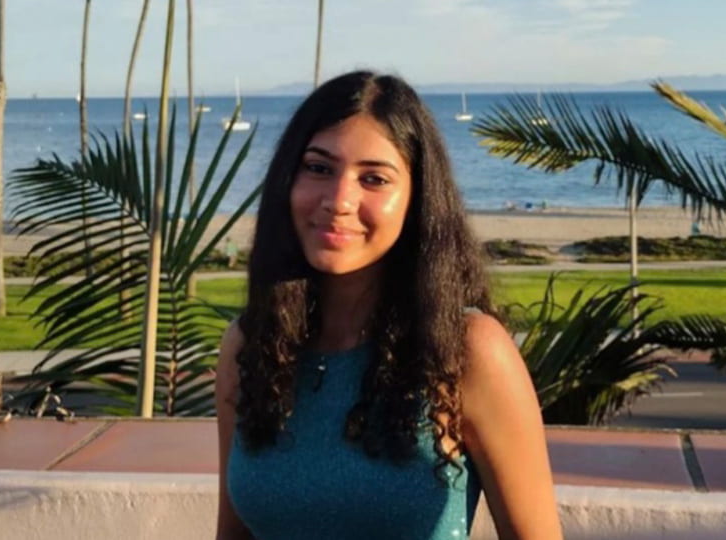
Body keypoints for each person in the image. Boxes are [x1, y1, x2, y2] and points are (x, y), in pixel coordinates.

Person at [215, 71, 562, 539]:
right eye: (319, 168)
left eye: (374, 178)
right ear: (287, 180)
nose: (339, 200)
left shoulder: (469, 351)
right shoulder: (249, 347)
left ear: (416, 201)